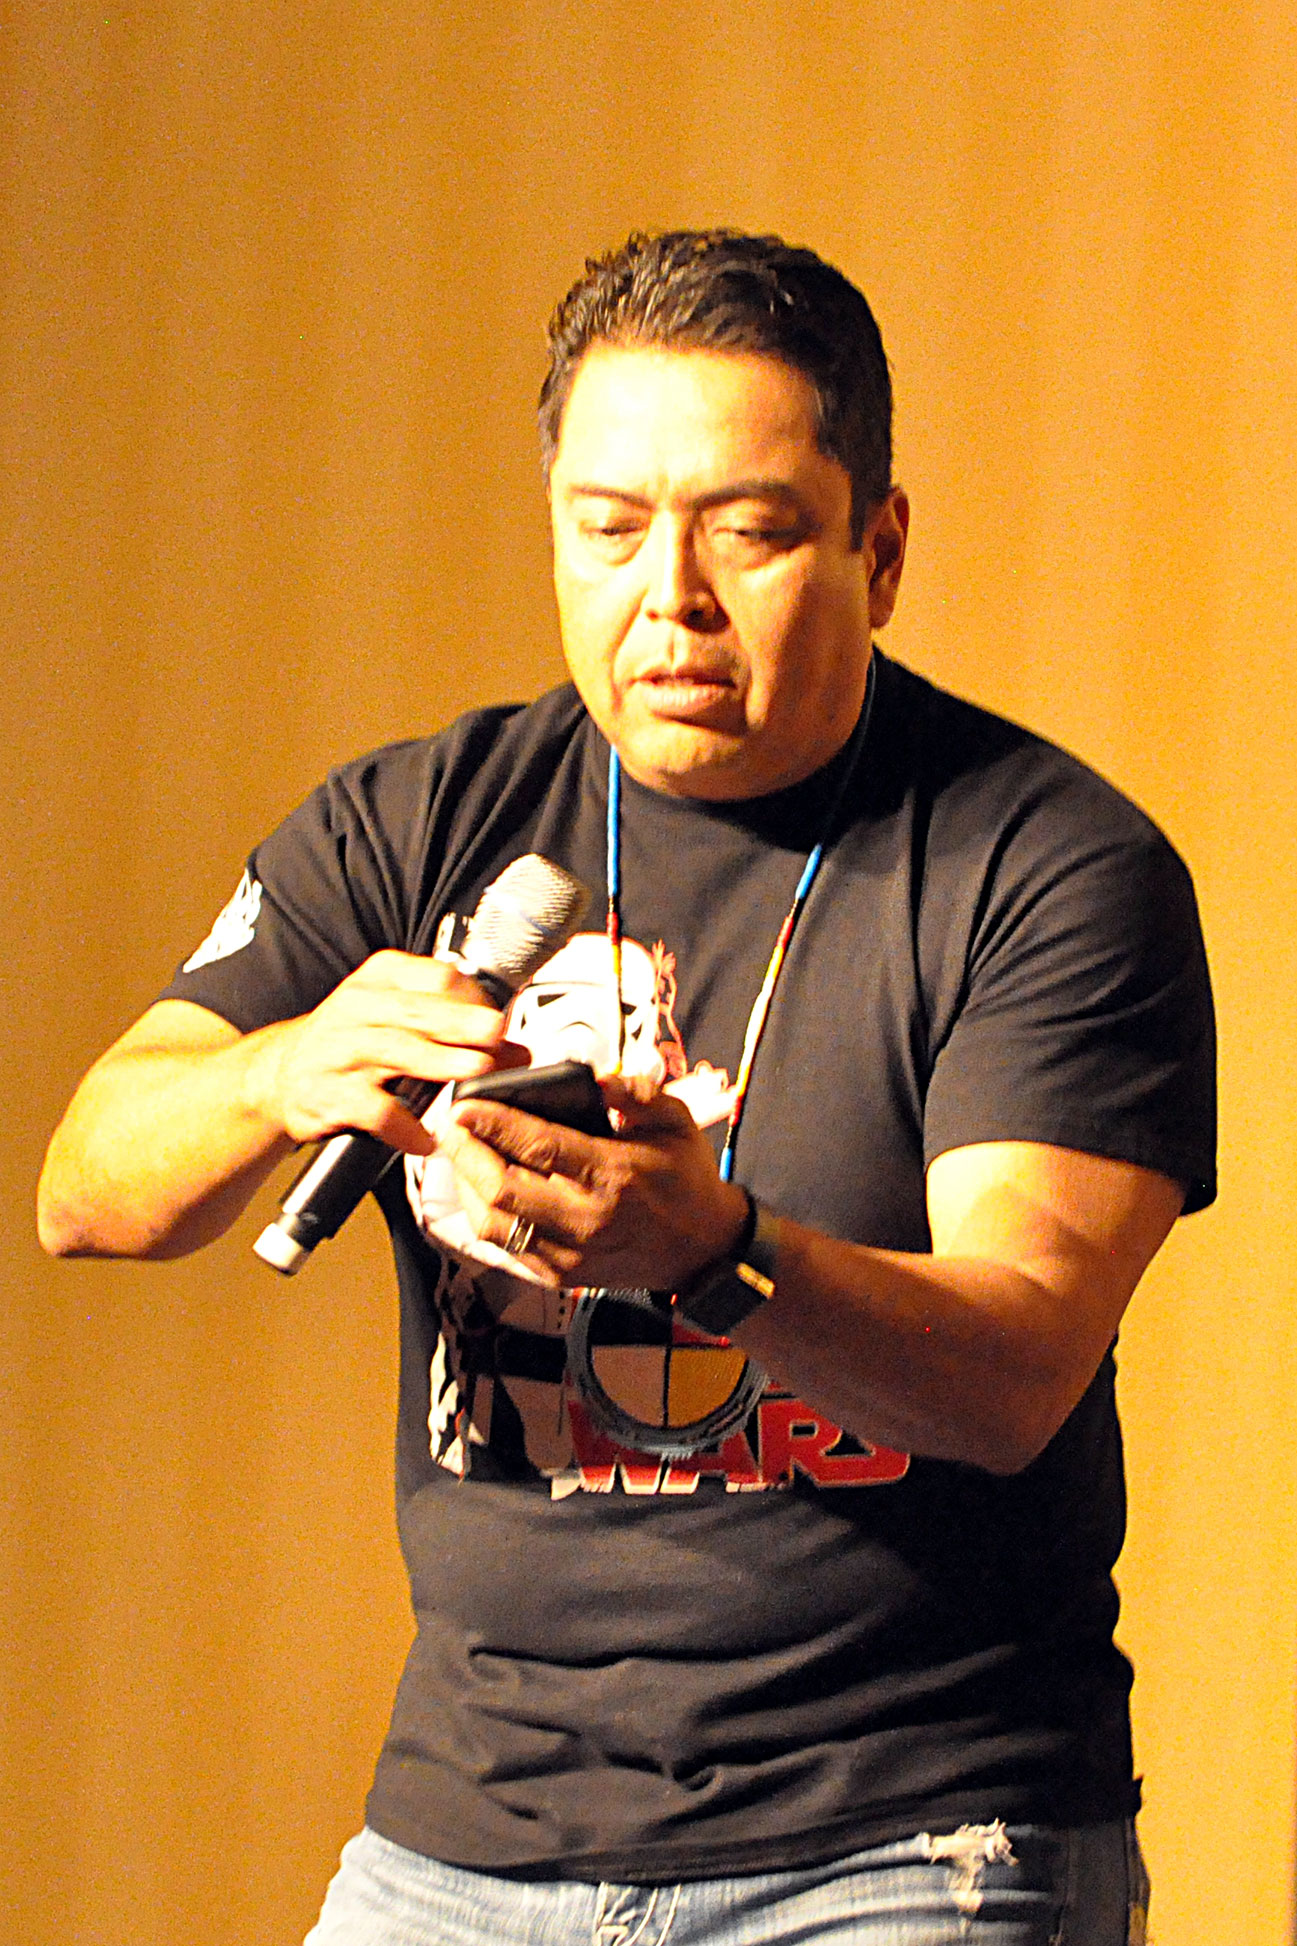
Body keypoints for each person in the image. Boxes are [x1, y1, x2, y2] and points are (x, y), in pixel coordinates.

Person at [38, 230, 1215, 1945]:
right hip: (471, 1821)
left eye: (748, 531)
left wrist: (713, 1252)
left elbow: (1014, 1366)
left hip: (902, 1832)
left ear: (879, 549)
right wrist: (285, 1070)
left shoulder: (1044, 866)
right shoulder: (419, 821)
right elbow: (86, 1190)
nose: (668, 595)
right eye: (606, 527)